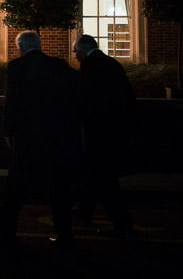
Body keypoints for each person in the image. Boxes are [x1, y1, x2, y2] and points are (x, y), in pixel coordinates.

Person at [0, 31, 81, 249]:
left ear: (20, 47)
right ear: (40, 45)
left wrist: (8, 131)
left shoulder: (17, 67)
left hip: (27, 136)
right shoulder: (58, 65)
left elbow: (11, 101)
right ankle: (65, 234)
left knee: (17, 186)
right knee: (59, 188)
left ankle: (6, 230)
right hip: (54, 136)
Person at [73, 34, 136, 236]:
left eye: (75, 52)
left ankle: (122, 223)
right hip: (114, 129)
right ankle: (84, 212)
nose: (75, 56)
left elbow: (85, 99)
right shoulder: (110, 63)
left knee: (103, 178)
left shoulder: (90, 66)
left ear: (82, 50)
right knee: (96, 174)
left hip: (100, 131)